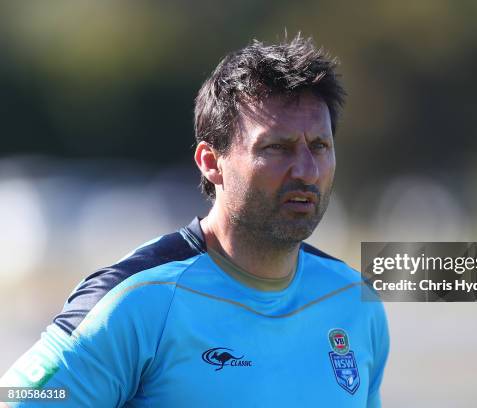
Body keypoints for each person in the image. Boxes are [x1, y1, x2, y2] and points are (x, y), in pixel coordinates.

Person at [0, 34, 389, 407]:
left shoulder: (353, 300)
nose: (305, 169)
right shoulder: (138, 298)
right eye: (276, 148)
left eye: (319, 146)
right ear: (210, 162)